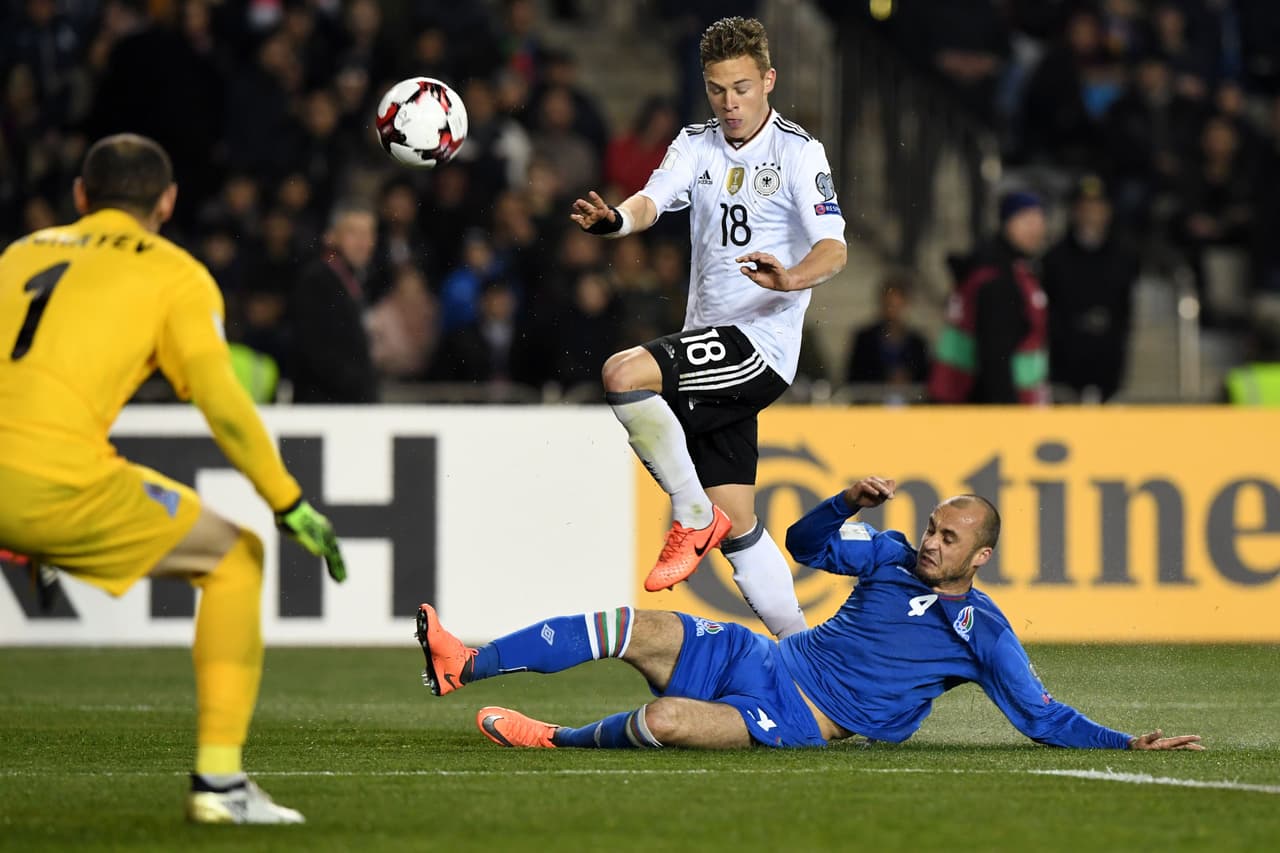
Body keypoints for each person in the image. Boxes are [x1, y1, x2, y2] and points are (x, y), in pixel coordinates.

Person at [0, 134, 348, 823]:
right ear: (167, 202)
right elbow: (221, 403)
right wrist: (287, 501)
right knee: (234, 558)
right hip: (52, 480)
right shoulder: (175, 274)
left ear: (81, 195)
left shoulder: (19, 253)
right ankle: (220, 784)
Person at [413, 475, 1203, 754]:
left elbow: (1040, 715)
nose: (931, 541)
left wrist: (1125, 741)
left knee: (669, 720)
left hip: (798, 717)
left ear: (981, 556)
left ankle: (555, 738)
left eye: (949, 538)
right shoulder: (890, 553)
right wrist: (846, 501)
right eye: (932, 527)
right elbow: (803, 544)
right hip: (762, 658)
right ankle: (462, 662)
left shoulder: (983, 632)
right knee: (634, 625)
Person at [569, 16, 848, 639]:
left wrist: (791, 279)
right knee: (739, 523)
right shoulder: (695, 144)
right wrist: (616, 221)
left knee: (623, 374)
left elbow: (834, 248)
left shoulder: (798, 152)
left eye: (742, 88)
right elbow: (651, 199)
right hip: (709, 342)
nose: (730, 103)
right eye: (718, 90)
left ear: (769, 80)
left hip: (759, 347)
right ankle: (804, 653)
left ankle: (690, 513)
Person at [927, 191, 1050, 405]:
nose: (1036, 229)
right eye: (1027, 220)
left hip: (960, 398)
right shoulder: (998, 278)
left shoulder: (996, 269)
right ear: (1007, 224)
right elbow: (995, 357)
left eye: (1039, 221)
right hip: (981, 404)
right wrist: (1005, 411)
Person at [1041, 175, 1140, 403]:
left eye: (1097, 208)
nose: (1091, 215)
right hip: (1065, 363)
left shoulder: (1124, 256)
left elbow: (1125, 308)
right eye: (1084, 209)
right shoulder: (1055, 257)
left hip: (1108, 361)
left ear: (1108, 212)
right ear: (1074, 212)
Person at [288, 202, 379, 403]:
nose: (363, 242)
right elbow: (318, 354)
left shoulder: (354, 279)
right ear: (330, 236)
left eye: (368, 234)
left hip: (345, 407)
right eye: (353, 233)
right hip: (324, 410)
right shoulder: (316, 279)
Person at [845, 272, 930, 389]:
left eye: (897, 306)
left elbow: (924, 378)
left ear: (905, 305)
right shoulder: (864, 339)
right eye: (889, 305)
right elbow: (854, 378)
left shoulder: (917, 343)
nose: (892, 311)